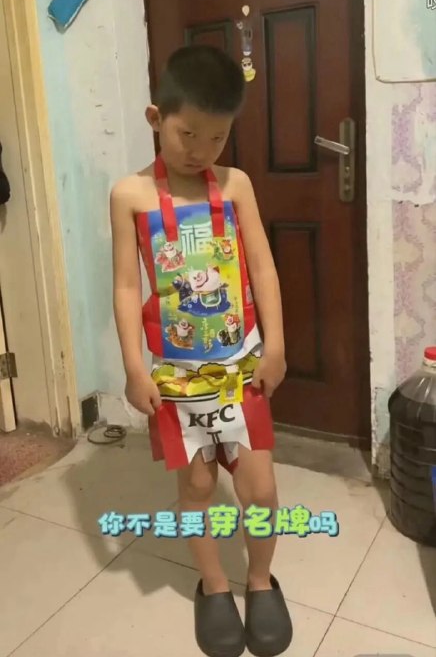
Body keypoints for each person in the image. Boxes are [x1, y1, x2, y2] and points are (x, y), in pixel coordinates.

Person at [110, 45, 293, 657]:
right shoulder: (130, 195)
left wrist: (276, 347)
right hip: (174, 377)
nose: (201, 150)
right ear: (155, 117)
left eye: (217, 137)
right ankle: (214, 586)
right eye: (188, 133)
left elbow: (262, 268)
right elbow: (126, 285)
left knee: (260, 488)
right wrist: (134, 369)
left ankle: (260, 580)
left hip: (241, 368)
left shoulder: (236, 186)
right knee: (196, 486)